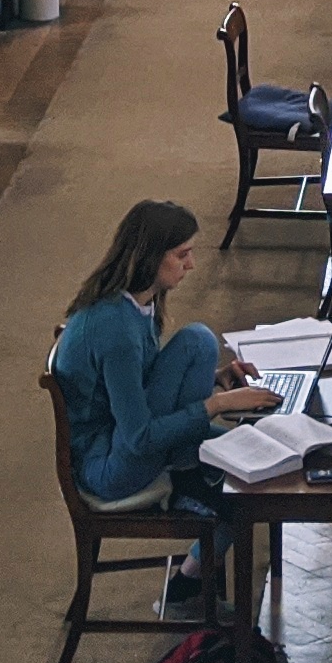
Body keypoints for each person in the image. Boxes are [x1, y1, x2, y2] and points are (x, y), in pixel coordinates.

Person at [47, 198, 278, 513]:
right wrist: (218, 404)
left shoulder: (137, 302)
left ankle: (193, 548)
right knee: (198, 342)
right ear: (149, 257)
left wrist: (216, 379)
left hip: (120, 436)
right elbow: (139, 438)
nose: (191, 265)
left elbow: (137, 382)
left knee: (255, 458)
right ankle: (189, 480)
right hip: (109, 467)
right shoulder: (117, 329)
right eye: (182, 255)